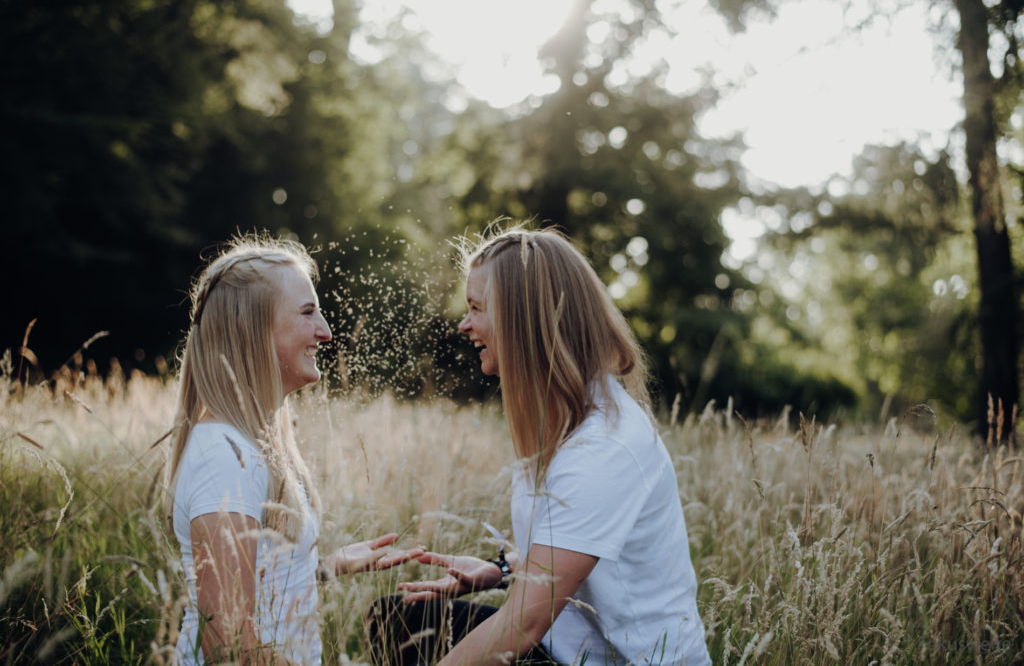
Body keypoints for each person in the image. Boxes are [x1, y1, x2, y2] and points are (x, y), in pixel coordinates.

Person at [368, 226, 710, 665]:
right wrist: (502, 570)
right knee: (399, 618)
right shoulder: (566, 417)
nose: (463, 323)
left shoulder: (602, 447)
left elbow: (521, 626)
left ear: (521, 317)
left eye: (476, 308)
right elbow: (576, 541)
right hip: (565, 648)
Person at [165, 234, 421, 665]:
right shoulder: (223, 457)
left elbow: (256, 584)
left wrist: (322, 565)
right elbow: (228, 646)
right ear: (252, 330)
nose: (325, 330)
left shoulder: (249, 443)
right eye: (307, 313)